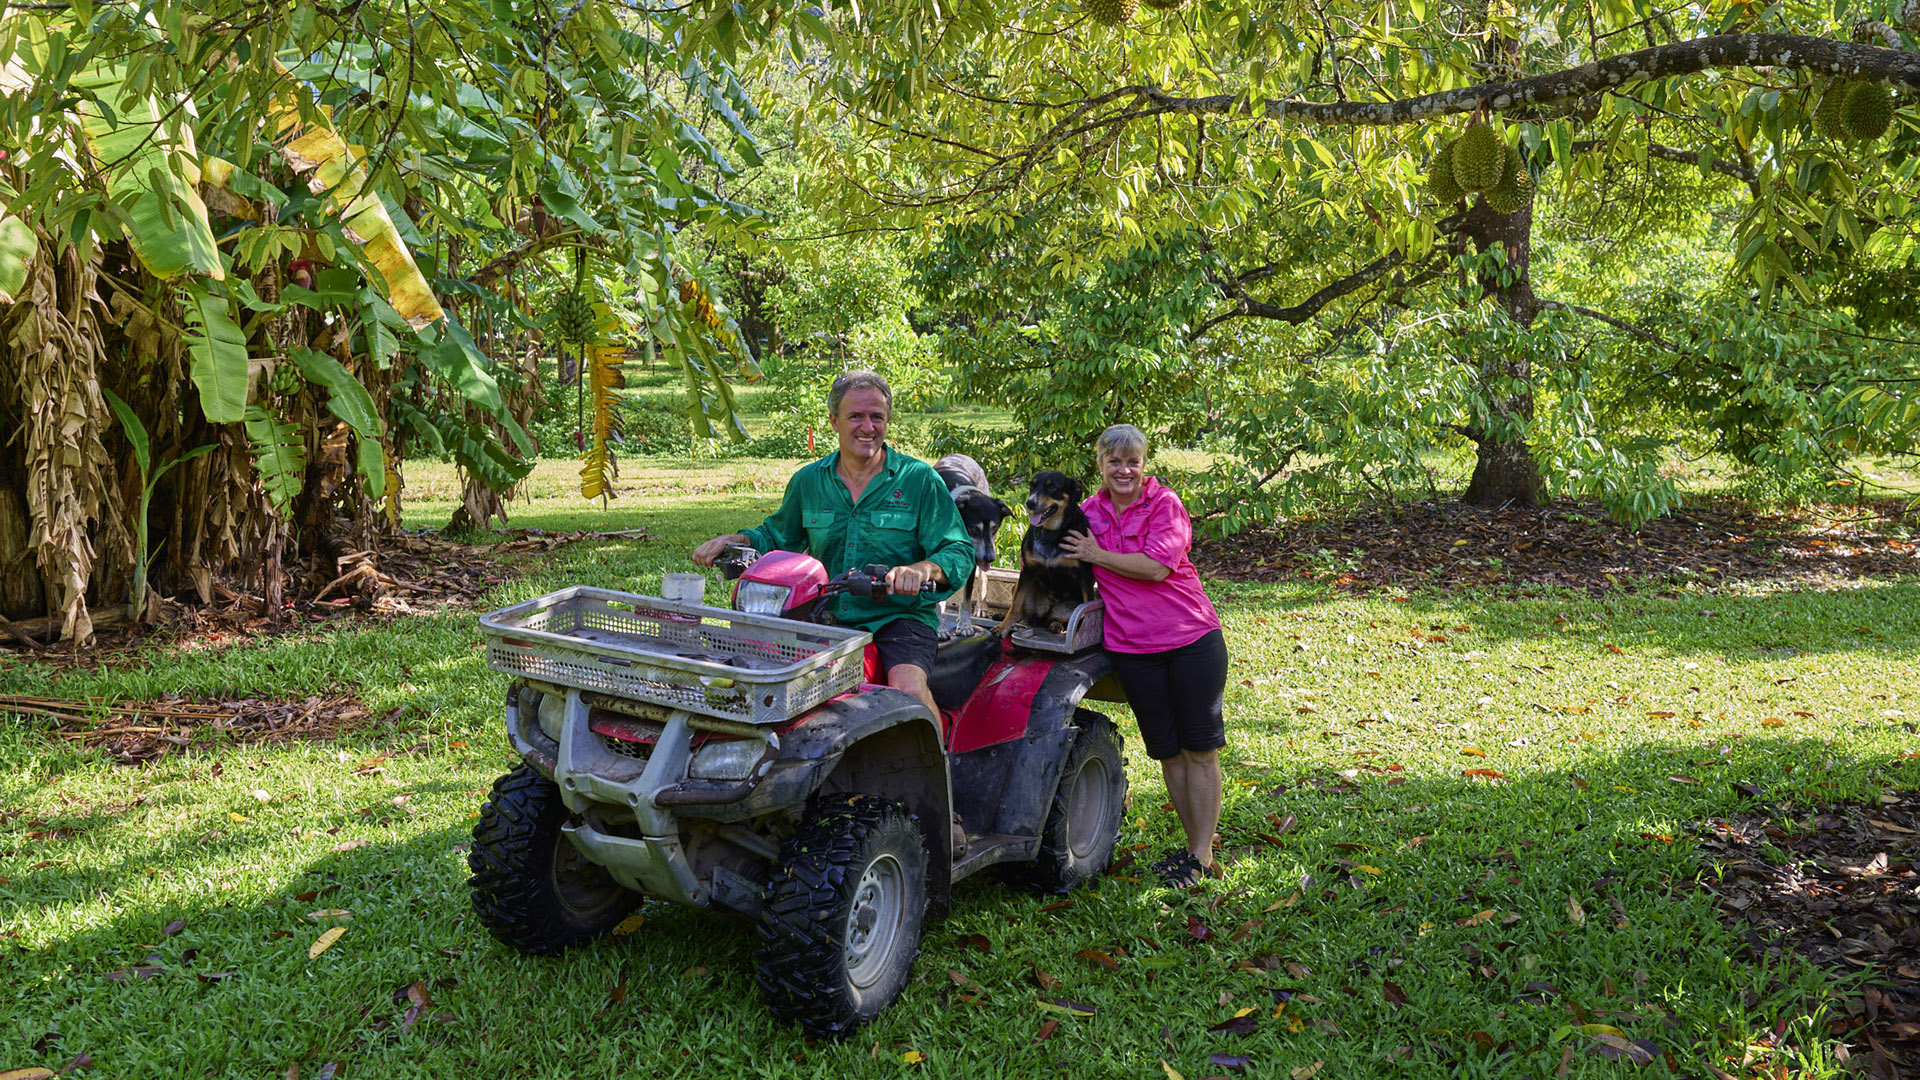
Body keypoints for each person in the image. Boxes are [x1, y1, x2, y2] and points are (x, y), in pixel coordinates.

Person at [691, 371, 975, 721]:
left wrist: (922, 570)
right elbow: (778, 536)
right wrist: (738, 540)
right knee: (765, 689)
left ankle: (938, 768)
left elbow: (958, 550)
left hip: (898, 617)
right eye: (855, 416)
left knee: (908, 691)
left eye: (877, 417)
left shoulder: (918, 480)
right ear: (834, 421)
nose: (867, 427)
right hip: (823, 616)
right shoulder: (809, 481)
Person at [1061, 424, 1228, 889]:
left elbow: (1157, 566)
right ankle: (1195, 849)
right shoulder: (1088, 512)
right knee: (1168, 752)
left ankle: (1200, 854)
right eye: (1115, 461)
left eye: (1132, 461)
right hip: (1132, 649)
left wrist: (1096, 552)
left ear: (1144, 464)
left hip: (1191, 640)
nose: (1124, 469)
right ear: (1100, 464)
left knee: (1199, 748)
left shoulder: (1163, 504)